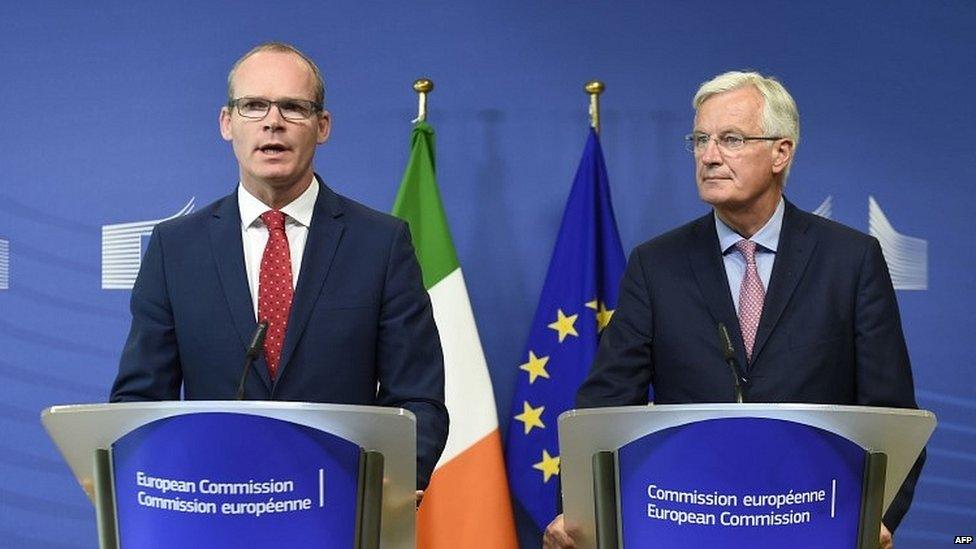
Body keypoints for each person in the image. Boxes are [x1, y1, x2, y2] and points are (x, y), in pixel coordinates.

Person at [544, 71, 922, 549]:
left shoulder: (850, 260)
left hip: (815, 517)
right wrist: (576, 511)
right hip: (686, 519)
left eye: (731, 139)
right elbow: (605, 406)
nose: (708, 156)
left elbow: (889, 409)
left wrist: (877, 519)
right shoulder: (657, 264)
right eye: (700, 139)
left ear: (781, 152)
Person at [109, 42, 448, 490]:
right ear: (226, 123)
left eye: (293, 107)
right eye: (253, 105)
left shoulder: (380, 243)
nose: (273, 121)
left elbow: (417, 400)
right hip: (214, 508)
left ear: (322, 126)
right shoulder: (176, 248)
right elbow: (140, 398)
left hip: (342, 506)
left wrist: (385, 487)